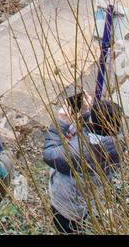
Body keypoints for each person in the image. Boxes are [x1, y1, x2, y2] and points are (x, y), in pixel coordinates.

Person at [43, 99, 124, 233]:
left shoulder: (80, 152)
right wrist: (87, 113)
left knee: (66, 228)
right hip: (85, 198)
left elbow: (49, 154)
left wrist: (61, 122)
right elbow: (95, 131)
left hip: (67, 207)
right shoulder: (116, 142)